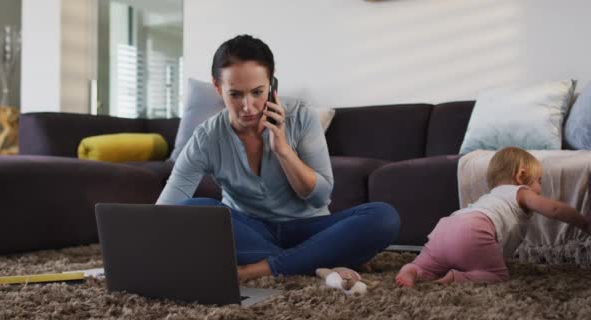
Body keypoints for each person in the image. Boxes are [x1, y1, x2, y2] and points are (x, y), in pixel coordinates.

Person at [157, 34, 400, 281]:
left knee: (383, 217)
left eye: (257, 92)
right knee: (191, 211)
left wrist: (283, 149)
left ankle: (260, 269)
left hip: (310, 228)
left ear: (272, 85)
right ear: (218, 87)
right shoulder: (206, 137)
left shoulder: (301, 117)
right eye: (236, 94)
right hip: (250, 232)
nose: (248, 107)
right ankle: (321, 259)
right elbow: (165, 211)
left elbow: (320, 196)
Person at [395, 147, 591, 287]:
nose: (540, 188)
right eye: (539, 181)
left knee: (426, 265)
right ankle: (456, 278)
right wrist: (583, 222)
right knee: (497, 274)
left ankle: (412, 270)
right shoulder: (520, 192)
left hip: (445, 227)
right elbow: (554, 209)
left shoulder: (490, 197)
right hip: (475, 229)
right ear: (521, 176)